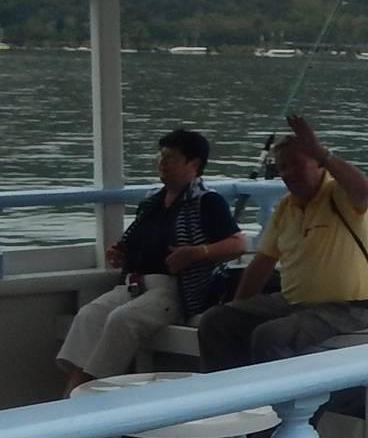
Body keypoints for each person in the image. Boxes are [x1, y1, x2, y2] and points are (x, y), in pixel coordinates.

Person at [57, 128, 246, 396]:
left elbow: (238, 244)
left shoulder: (206, 201)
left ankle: (90, 394)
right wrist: (122, 252)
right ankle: (73, 392)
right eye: (161, 157)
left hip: (175, 290)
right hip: (134, 285)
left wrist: (197, 253)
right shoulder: (152, 201)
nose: (162, 163)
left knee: (122, 320)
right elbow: (137, 238)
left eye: (170, 158)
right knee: (89, 315)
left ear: (193, 164)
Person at [197, 114, 368, 371]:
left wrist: (320, 151)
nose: (289, 173)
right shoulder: (285, 206)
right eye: (282, 167)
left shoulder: (339, 195)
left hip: (344, 308)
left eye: (296, 163)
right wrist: (238, 306)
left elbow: (364, 190)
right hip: (291, 302)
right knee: (215, 320)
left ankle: (276, 397)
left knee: (270, 336)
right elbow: (262, 263)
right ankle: (231, 392)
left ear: (319, 165)